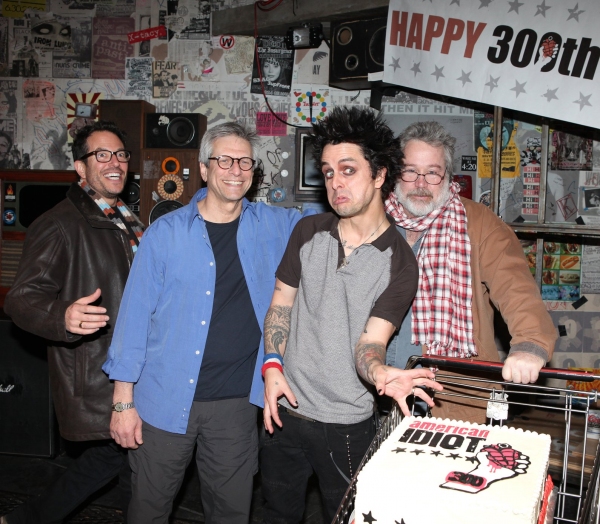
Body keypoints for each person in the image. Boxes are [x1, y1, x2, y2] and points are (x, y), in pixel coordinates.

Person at [102, 121, 315, 524]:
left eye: (245, 162)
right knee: (148, 511)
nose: (236, 170)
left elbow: (332, 220)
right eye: (225, 160)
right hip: (162, 403)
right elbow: (133, 320)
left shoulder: (275, 226)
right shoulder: (165, 233)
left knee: (231, 514)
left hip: (236, 405)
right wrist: (122, 401)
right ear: (204, 168)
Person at [260, 106, 442, 523]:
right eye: (327, 172)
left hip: (345, 426)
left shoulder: (400, 263)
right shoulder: (307, 232)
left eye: (348, 170)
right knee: (275, 514)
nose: (335, 183)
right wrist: (271, 366)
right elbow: (280, 306)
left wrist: (379, 373)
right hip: (284, 411)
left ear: (379, 175)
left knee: (346, 518)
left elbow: (371, 343)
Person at [1, 120, 144, 524]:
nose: (114, 162)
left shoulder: (126, 220)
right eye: (102, 155)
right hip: (98, 375)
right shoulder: (59, 223)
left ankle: (25, 518)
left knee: (110, 462)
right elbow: (21, 299)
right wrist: (61, 314)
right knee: (135, 464)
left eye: (120, 154)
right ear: (80, 168)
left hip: (133, 367)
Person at [384, 121, 557, 422]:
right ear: (395, 174)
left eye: (432, 172)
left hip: (448, 395)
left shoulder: (479, 223)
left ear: (448, 176)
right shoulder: (373, 220)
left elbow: (515, 287)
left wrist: (530, 345)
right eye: (410, 171)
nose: (421, 183)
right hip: (374, 390)